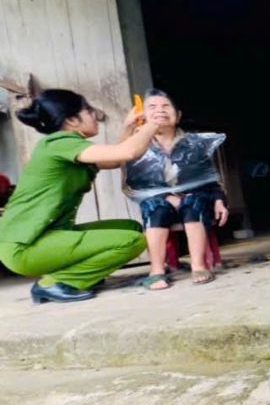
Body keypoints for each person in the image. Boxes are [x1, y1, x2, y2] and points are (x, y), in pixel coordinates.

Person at [0, 89, 162, 304]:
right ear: (72, 120)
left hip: (42, 240)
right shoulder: (59, 144)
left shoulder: (68, 146)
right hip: (24, 247)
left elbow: (113, 160)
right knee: (132, 241)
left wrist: (129, 127)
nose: (95, 115)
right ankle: (56, 284)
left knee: (129, 228)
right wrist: (152, 125)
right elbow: (127, 153)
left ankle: (83, 276)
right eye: (88, 110)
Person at [122, 89, 229, 290]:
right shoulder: (138, 145)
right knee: (155, 206)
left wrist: (219, 199)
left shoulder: (194, 144)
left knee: (192, 201)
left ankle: (199, 265)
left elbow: (209, 178)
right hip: (161, 202)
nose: (160, 111)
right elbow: (135, 183)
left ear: (177, 115)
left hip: (195, 199)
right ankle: (156, 270)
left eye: (166, 106)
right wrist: (167, 196)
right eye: (152, 107)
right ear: (141, 115)